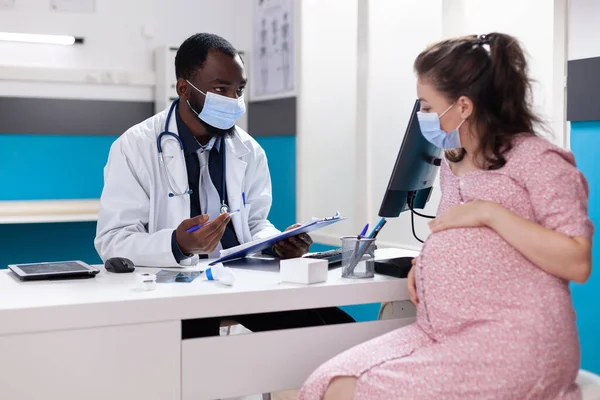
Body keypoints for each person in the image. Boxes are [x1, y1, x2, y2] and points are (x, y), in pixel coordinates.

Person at [299, 32, 593, 399]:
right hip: (442, 330)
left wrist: (490, 213)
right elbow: (461, 236)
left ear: (464, 107)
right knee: (326, 384)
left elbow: (577, 261)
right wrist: (426, 264)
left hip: (515, 341)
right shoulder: (455, 162)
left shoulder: (541, 162)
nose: (420, 115)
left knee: (364, 392)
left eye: (425, 104)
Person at [95, 33, 354, 336]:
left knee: (334, 328)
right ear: (183, 89)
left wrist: (277, 244)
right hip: (175, 290)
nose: (233, 101)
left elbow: (254, 222)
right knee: (194, 348)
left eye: (239, 89)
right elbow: (113, 240)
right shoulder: (134, 147)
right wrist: (177, 244)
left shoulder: (249, 149)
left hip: (242, 284)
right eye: (221, 89)